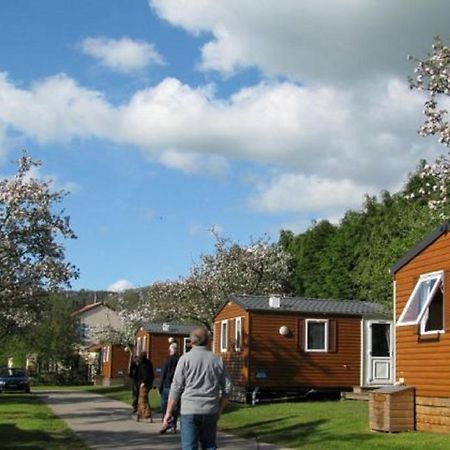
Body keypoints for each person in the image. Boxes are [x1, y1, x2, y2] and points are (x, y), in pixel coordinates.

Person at [163, 327, 231, 450]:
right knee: (209, 446)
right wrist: (220, 408)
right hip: (210, 409)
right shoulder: (217, 360)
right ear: (208, 341)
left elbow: (176, 387)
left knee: (189, 447)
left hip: (189, 410)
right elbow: (228, 387)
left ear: (191, 341)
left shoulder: (185, 359)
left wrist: (168, 412)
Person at [159, 343, 180, 433]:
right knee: (175, 406)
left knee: (165, 406)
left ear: (170, 350)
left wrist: (160, 386)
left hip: (167, 386)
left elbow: (163, 374)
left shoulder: (166, 361)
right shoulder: (180, 360)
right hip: (177, 386)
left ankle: (166, 423)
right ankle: (173, 424)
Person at [136, 351, 154, 422]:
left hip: (144, 383)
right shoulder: (146, 363)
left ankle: (147, 414)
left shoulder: (144, 364)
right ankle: (139, 413)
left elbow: (145, 374)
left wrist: (143, 381)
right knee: (141, 398)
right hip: (145, 383)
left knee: (143, 398)